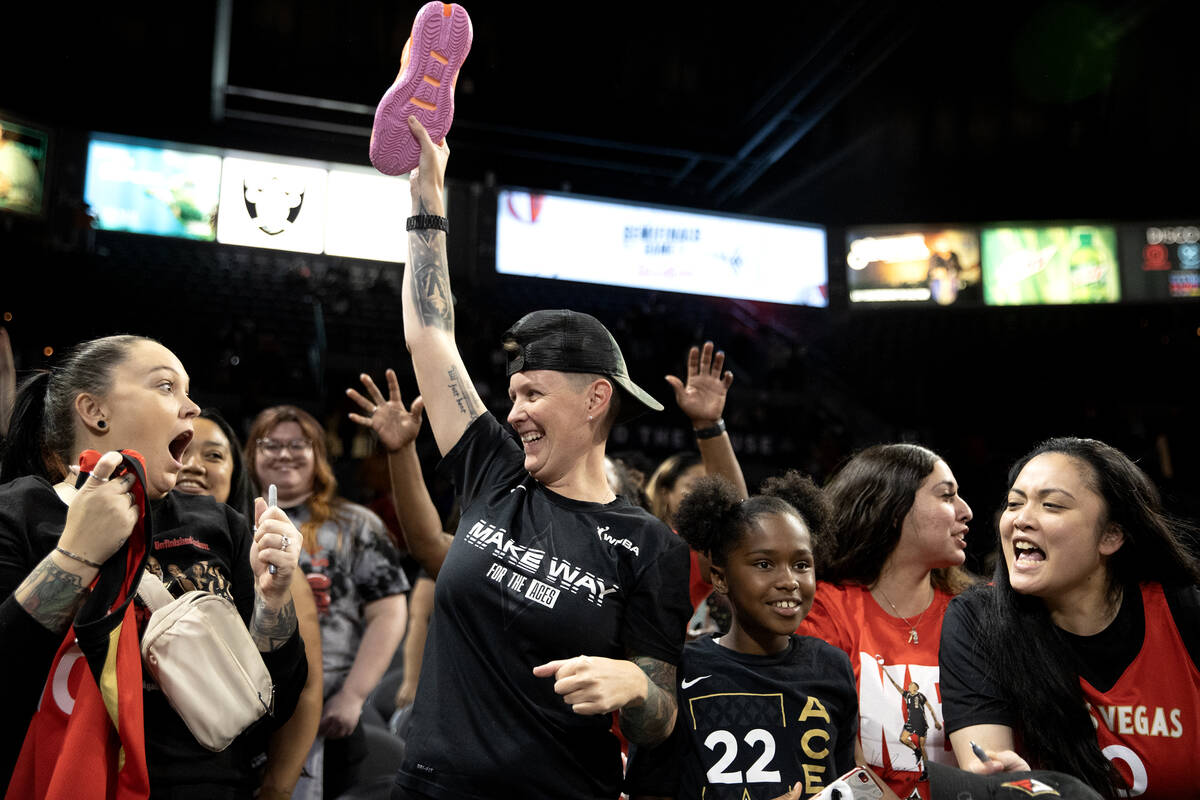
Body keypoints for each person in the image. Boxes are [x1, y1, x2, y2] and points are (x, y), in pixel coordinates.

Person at [364, 115, 691, 800]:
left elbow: (660, 717)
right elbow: (429, 334)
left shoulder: (648, 544)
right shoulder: (494, 466)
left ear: (596, 398)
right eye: (511, 394)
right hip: (427, 788)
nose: (512, 413)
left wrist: (635, 683)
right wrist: (428, 205)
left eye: (533, 394)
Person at [0, 334, 307, 796]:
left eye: (187, 391)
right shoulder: (17, 512)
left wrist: (274, 601)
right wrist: (76, 555)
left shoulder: (219, 522)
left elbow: (274, 704)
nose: (192, 408)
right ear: (95, 410)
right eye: (166, 387)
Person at [939, 437, 1200, 800]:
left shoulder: (1182, 610)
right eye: (1014, 503)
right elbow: (988, 771)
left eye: (1052, 505)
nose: (1021, 520)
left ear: (1111, 535)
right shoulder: (976, 621)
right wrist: (1009, 787)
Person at [625, 472, 858, 800]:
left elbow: (846, 780)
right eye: (764, 564)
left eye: (802, 564)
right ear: (720, 579)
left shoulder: (832, 666)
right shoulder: (682, 672)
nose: (789, 580)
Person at [246, 404, 409, 799]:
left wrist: (353, 696)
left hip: (331, 705)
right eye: (271, 444)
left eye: (299, 444)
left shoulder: (356, 524)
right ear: (250, 454)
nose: (285, 454)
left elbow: (389, 612)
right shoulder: (230, 521)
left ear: (319, 454)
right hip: (246, 700)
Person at [795, 443, 975, 800]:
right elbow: (829, 748)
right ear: (893, 509)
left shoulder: (975, 614)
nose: (965, 511)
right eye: (946, 496)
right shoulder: (824, 608)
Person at [176, 408, 325, 800]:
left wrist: (277, 787)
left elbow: (305, 690)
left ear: (236, 473)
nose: (194, 466)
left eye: (213, 455)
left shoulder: (269, 562)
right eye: (182, 451)